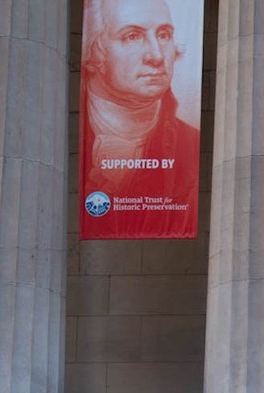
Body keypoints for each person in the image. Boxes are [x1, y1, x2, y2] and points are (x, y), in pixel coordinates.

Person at [80, 0, 200, 236]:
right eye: (133, 36)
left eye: (164, 35)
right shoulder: (68, 137)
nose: (156, 56)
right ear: (93, 49)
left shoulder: (190, 144)